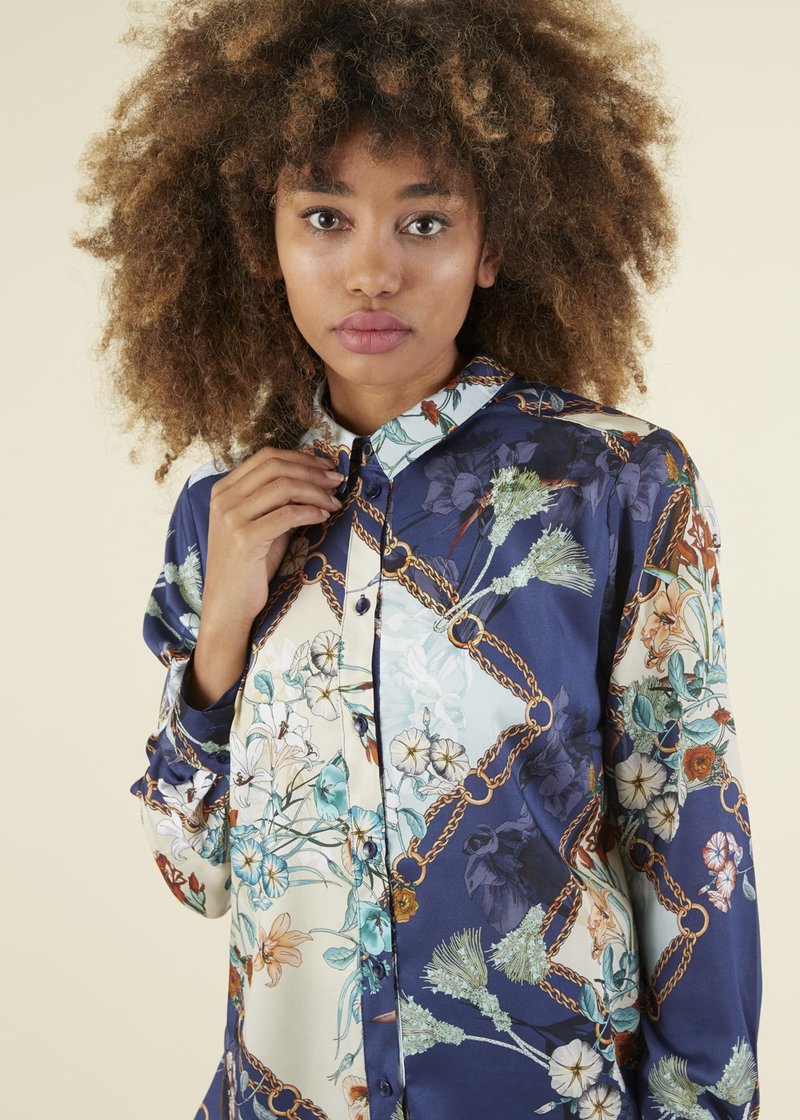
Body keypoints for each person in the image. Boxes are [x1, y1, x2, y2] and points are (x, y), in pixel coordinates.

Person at [72, 1, 762, 1117]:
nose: (371, 272)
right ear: (267, 240)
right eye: (325, 217)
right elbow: (194, 875)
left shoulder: (619, 484)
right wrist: (219, 639)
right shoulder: (221, 514)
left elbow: (689, 842)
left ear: (493, 244)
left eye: (424, 222)